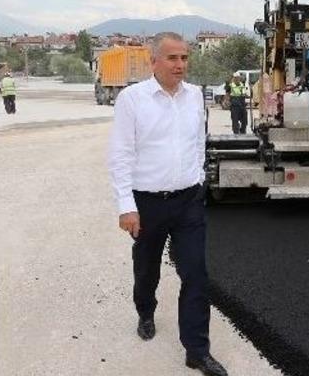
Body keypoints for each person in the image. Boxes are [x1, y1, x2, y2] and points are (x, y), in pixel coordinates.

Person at [107, 32, 228, 376]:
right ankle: (145, 310)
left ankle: (197, 350)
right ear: (154, 61)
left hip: (188, 200)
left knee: (196, 275)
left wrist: (200, 179)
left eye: (185, 58)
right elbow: (120, 155)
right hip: (147, 203)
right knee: (147, 269)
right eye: (173, 58)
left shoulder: (194, 97)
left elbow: (197, 142)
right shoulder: (133, 99)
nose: (180, 65)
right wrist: (126, 205)